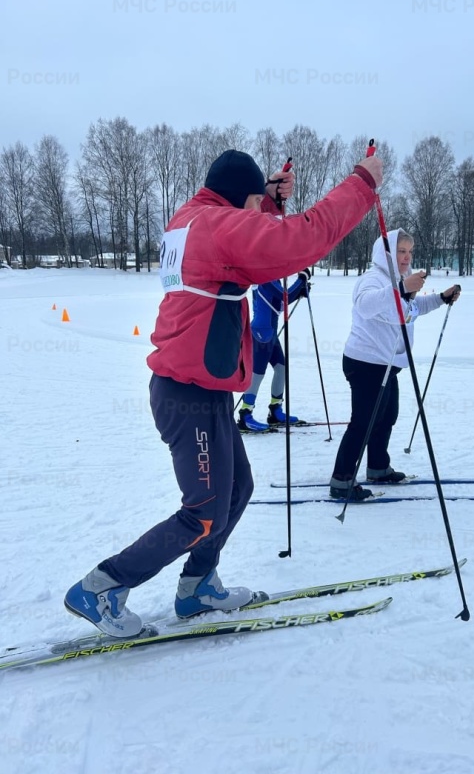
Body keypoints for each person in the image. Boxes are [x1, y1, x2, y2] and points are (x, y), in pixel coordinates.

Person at [64, 148, 383, 637]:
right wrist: (361, 184)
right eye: (255, 203)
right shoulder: (216, 227)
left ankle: (197, 587)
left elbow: (242, 245)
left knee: (237, 489)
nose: (258, 213)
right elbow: (298, 241)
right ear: (241, 198)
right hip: (187, 394)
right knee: (203, 515)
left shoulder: (195, 218)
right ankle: (103, 585)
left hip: (201, 390)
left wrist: (266, 202)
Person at [329, 228, 461, 502]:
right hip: (365, 363)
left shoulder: (400, 279)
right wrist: (400, 288)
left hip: (387, 364)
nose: (406, 257)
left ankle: (378, 467)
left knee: (387, 416)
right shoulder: (372, 280)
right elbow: (366, 306)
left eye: (409, 252)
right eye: (401, 251)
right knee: (363, 421)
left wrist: (441, 298)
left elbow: (412, 309)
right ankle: (341, 480)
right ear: (385, 252)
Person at [237, 270, 311, 432]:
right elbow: (286, 296)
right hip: (261, 334)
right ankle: (245, 414)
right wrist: (301, 280)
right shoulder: (264, 277)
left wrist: (300, 291)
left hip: (269, 333)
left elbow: (279, 304)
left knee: (281, 369)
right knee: (258, 374)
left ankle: (275, 411)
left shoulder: (274, 279)